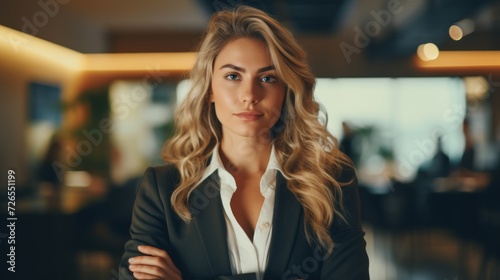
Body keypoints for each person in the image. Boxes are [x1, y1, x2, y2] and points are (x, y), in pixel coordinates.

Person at [120, 5, 369, 280]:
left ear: (286, 90)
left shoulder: (331, 182)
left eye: (267, 78)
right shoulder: (162, 188)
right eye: (233, 76)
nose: (250, 95)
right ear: (210, 89)